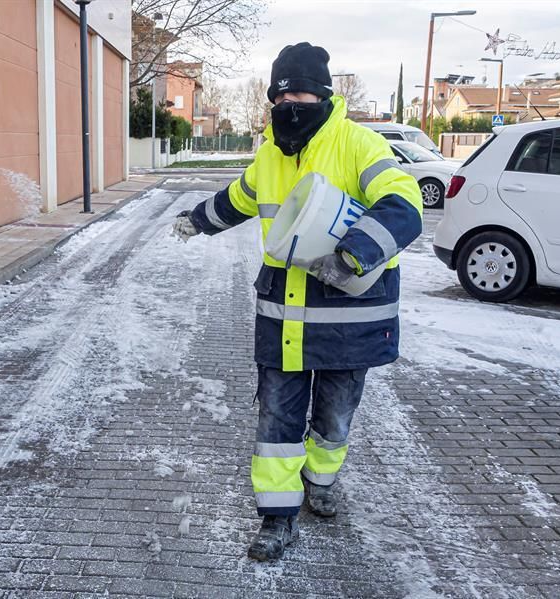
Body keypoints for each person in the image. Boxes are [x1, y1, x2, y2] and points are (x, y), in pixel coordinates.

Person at [172, 43, 422, 562]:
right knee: (277, 422)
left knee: (333, 421)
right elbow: (239, 198)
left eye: (301, 91)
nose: (290, 102)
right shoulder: (269, 152)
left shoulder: (360, 145)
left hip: (349, 319)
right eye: (280, 93)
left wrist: (354, 254)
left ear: (325, 94)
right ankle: (276, 518)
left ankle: (321, 479)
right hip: (283, 315)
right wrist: (197, 219)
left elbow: (404, 203)